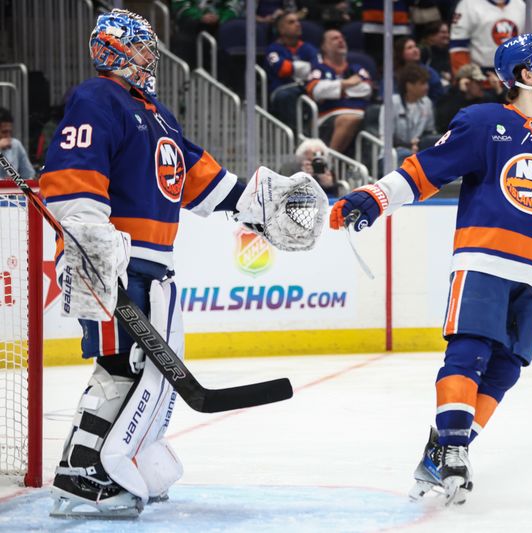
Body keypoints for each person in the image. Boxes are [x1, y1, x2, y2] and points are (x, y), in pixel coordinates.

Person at [41, 9, 324, 519]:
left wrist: (260, 203)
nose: (152, 56)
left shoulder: (156, 113)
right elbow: (73, 173)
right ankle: (83, 473)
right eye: (143, 47)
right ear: (116, 50)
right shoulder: (96, 97)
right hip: (115, 261)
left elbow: (196, 176)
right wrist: (86, 242)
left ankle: (130, 456)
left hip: (153, 268)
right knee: (121, 365)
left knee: (150, 368)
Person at [329, 33, 532, 505]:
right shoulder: (483, 122)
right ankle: (451, 447)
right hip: (484, 259)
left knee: (506, 367)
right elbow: (425, 171)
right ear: (525, 74)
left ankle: (448, 449)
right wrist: (376, 197)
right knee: (469, 352)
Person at [305, 29, 373, 153]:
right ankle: (330, 161)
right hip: (329, 117)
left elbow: (367, 89)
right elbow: (315, 91)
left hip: (362, 114)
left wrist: (335, 90)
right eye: (334, 38)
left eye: (342, 37)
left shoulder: (356, 68)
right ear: (324, 47)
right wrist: (347, 83)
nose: (340, 40)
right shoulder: (318, 68)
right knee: (349, 119)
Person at [265, 11, 320, 127]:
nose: (297, 24)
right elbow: (282, 69)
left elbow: (318, 69)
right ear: (281, 30)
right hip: (283, 89)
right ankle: (295, 134)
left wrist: (292, 67)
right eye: (291, 22)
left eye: (298, 21)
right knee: (286, 96)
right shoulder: (273, 49)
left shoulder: (308, 48)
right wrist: (306, 67)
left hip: (307, 87)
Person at [448, 0, 525, 76]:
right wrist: (464, 76)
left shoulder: (520, 5)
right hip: (480, 76)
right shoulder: (467, 5)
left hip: (515, 74)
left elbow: (527, 44)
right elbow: (458, 46)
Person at [381, 63, 437, 161]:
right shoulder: (392, 103)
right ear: (409, 86)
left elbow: (429, 132)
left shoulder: (427, 102)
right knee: (406, 155)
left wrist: (419, 144)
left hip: (418, 151)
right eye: (422, 83)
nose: (427, 87)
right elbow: (387, 137)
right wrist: (410, 145)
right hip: (394, 152)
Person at [434, 62, 504, 133]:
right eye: (477, 82)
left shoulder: (486, 99)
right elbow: (444, 125)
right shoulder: (448, 98)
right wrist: (460, 94)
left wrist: (499, 90)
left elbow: (504, 116)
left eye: (481, 82)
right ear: (465, 82)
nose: (481, 86)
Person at [394, 37, 445, 102]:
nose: (415, 50)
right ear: (400, 53)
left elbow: (438, 97)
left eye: (415, 46)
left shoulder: (429, 72)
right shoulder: (393, 72)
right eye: (409, 48)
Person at [0, 107, 36, 179]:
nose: (8, 136)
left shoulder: (15, 145)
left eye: (10, 132)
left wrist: (17, 181)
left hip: (10, 188)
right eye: (4, 132)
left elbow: (29, 174)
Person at [417, 20, 452, 85]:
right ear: (431, 36)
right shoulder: (424, 52)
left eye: (447, 32)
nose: (447, 35)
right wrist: (441, 75)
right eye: (443, 32)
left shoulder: (451, 52)